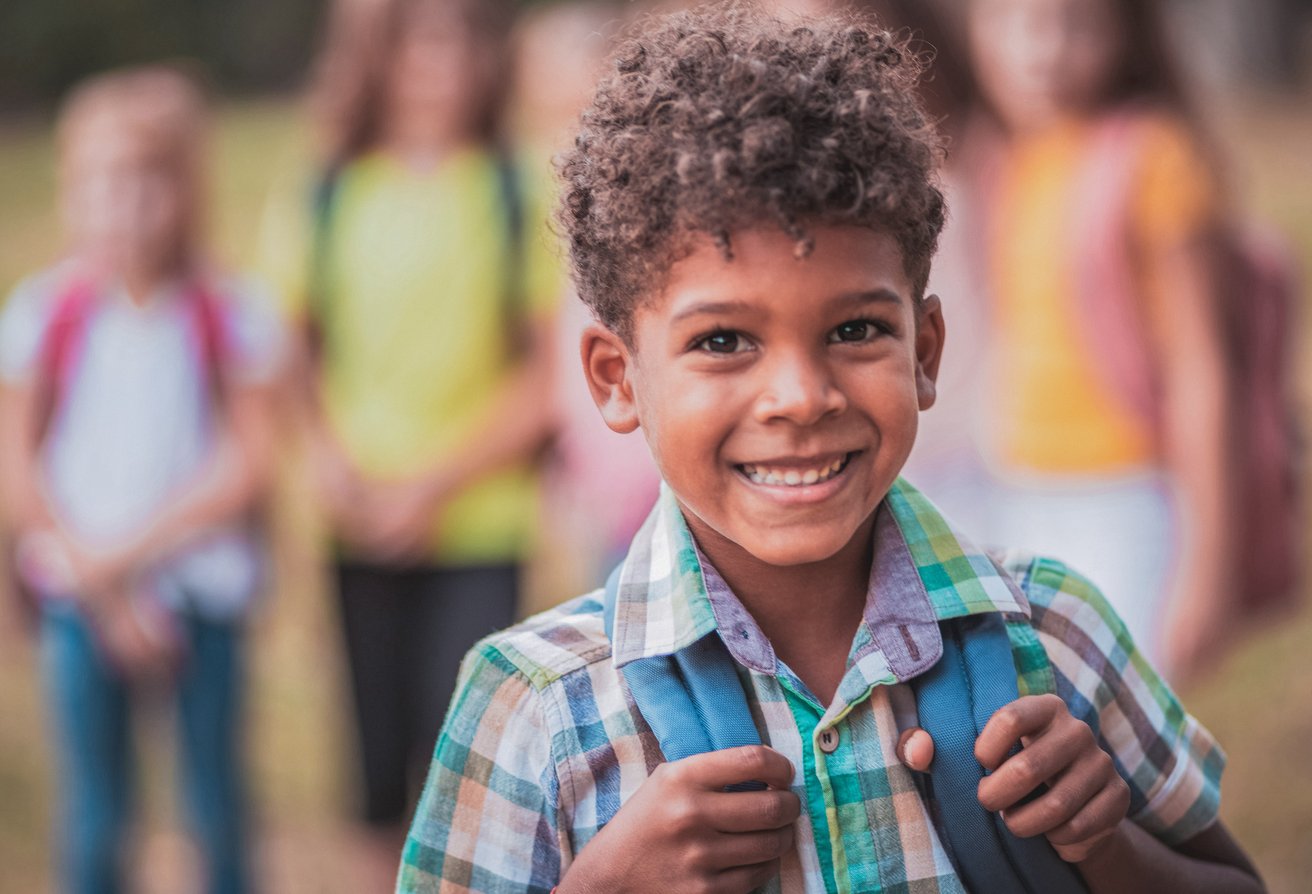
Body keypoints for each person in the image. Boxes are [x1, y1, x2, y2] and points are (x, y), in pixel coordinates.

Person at [397, 7, 1263, 893]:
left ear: (925, 350)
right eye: (725, 341)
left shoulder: (1052, 634)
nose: (803, 397)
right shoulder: (539, 708)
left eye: (855, 328)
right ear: (617, 377)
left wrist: (1105, 845)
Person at [256, 0, 560, 884]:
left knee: (466, 770)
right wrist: (324, 461)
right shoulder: (328, 190)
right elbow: (289, 352)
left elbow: (547, 376)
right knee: (372, 772)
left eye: (461, 40)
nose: (445, 64)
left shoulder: (516, 190)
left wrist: (434, 487)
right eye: (421, 42)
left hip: (479, 526)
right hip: (354, 525)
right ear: (376, 58)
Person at [0, 67, 282, 894]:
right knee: (94, 814)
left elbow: (250, 459)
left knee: (215, 805)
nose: (119, 208)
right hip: (79, 604)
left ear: (183, 189)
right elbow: (18, 458)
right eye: (97, 186)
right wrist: (105, 589)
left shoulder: (229, 313)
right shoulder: (42, 313)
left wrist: (133, 555)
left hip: (203, 602)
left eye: (142, 184)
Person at [961, 0, 1235, 679]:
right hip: (1015, 487)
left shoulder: (1154, 157)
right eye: (1014, 23)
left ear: (1124, 34)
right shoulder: (1001, 154)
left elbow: (1202, 369)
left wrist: (1209, 563)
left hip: (1126, 494)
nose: (1043, 51)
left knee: (1114, 735)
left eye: (1077, 26)